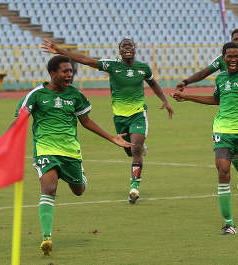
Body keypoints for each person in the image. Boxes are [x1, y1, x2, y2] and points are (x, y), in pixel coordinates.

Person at [0, 55, 133, 256]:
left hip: (70, 150)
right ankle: (47, 237)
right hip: (45, 149)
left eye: (71, 71)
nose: (69, 75)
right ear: (52, 73)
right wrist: (4, 139)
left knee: (79, 190)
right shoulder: (36, 95)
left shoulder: (75, 95)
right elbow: (21, 120)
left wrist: (112, 138)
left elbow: (86, 121)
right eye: (65, 71)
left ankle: (79, 176)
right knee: (49, 188)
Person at [42, 38, 174, 204]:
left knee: (136, 149)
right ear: (119, 50)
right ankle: (138, 149)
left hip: (138, 114)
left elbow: (153, 83)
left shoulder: (143, 68)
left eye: (130, 45)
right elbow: (86, 60)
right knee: (128, 150)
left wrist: (165, 100)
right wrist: (60, 51)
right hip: (119, 117)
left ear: (134, 49)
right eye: (123, 46)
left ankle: (134, 188)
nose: (127, 48)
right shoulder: (112, 66)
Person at [172, 42, 238, 235]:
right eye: (229, 56)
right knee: (223, 171)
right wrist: (187, 97)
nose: (233, 60)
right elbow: (216, 100)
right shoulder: (221, 78)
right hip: (222, 130)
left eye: (236, 56)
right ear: (223, 58)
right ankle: (229, 223)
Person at [176, 28, 238, 190]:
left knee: (237, 137)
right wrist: (186, 81)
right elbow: (205, 72)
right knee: (229, 145)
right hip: (228, 104)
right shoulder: (222, 59)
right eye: (236, 39)